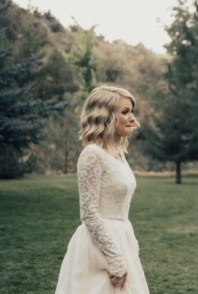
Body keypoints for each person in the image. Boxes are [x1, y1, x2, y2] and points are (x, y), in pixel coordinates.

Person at [56, 86, 150, 294]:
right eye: (125, 112)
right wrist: (114, 257)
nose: (132, 118)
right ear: (105, 116)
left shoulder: (119, 153)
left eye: (132, 111)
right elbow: (88, 213)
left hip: (122, 237)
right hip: (99, 246)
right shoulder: (92, 154)